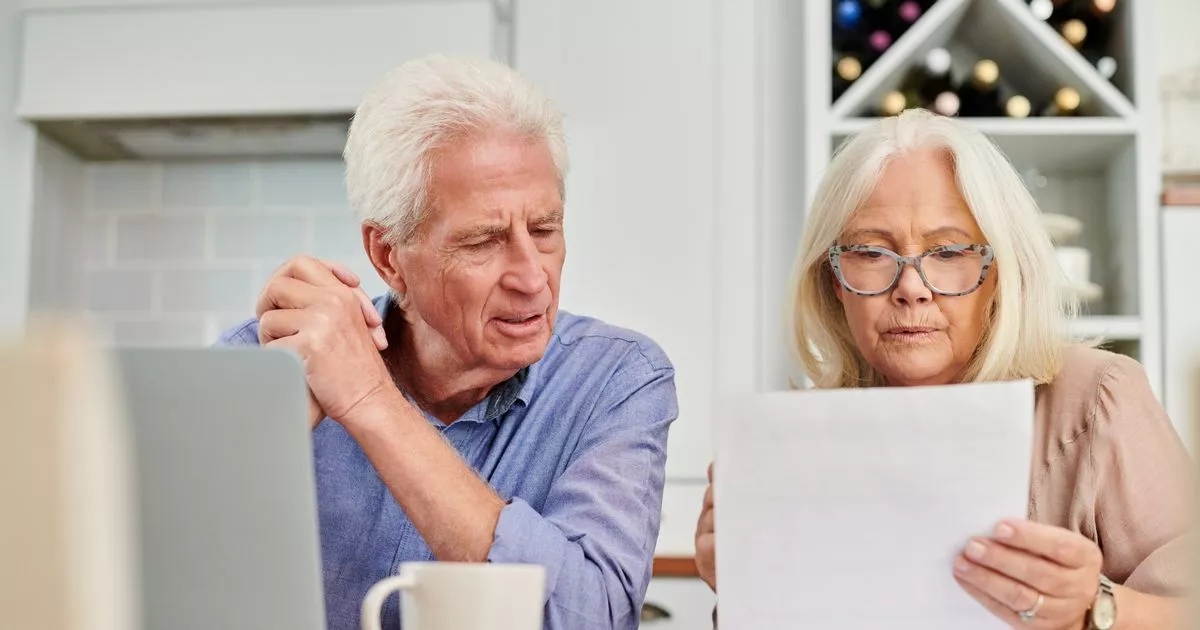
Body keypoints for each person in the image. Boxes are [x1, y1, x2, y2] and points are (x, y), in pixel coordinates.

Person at [218, 55, 678, 630]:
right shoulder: (271, 361)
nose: (532, 277)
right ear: (390, 257)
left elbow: (592, 617)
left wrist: (368, 401)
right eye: (484, 241)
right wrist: (261, 438)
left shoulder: (617, 379)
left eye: (544, 230)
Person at [694, 109, 1195, 629]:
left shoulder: (1096, 396)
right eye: (870, 252)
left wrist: (1097, 608)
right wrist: (743, 587)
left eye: (950, 251)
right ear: (834, 279)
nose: (911, 287)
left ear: (1002, 272)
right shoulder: (794, 441)